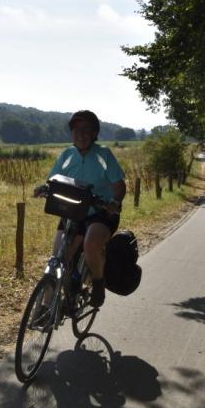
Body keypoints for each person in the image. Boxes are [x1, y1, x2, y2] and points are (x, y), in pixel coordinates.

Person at [34, 110, 126, 307]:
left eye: (86, 129)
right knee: (58, 256)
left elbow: (119, 187)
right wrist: (44, 189)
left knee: (91, 243)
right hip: (74, 212)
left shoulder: (104, 155)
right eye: (76, 130)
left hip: (100, 213)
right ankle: (46, 307)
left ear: (95, 133)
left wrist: (114, 203)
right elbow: (54, 180)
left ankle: (99, 285)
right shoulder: (67, 155)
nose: (81, 134)